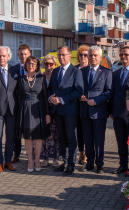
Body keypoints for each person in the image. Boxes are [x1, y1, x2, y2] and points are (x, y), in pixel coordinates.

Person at [48, 46, 84, 175]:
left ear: (69, 56)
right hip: (57, 111)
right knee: (61, 138)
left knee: (71, 138)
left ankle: (71, 164)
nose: (61, 57)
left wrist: (62, 99)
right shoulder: (56, 71)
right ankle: (64, 162)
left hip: (69, 111)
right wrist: (50, 97)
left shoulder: (76, 71)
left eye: (63, 55)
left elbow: (79, 91)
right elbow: (50, 88)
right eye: (59, 55)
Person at [79, 46, 113, 174]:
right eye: (90, 55)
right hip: (85, 110)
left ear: (100, 57)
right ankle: (89, 163)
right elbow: (77, 88)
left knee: (99, 139)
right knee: (87, 139)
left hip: (99, 111)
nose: (92, 57)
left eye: (95, 55)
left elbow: (109, 92)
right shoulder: (81, 71)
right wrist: (80, 96)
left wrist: (96, 100)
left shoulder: (106, 72)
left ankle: (99, 164)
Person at [110, 47, 129, 176]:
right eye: (121, 54)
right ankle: (122, 165)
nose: (123, 56)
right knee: (120, 142)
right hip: (117, 114)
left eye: (126, 54)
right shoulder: (115, 73)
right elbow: (112, 94)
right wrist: (110, 111)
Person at [16, 56, 50, 172]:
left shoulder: (41, 78)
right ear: (26, 65)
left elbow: (45, 96)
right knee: (28, 137)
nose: (31, 66)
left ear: (37, 66)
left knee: (38, 136)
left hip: (38, 109)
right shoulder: (21, 79)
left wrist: (47, 113)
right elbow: (18, 96)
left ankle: (37, 160)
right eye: (29, 63)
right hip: (25, 108)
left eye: (33, 64)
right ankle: (30, 160)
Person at [12, 44, 31, 164]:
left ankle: (32, 154)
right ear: (18, 55)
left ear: (29, 54)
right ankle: (16, 154)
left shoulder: (35, 69)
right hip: (16, 104)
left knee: (30, 129)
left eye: (25, 54)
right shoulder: (12, 69)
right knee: (16, 131)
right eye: (21, 54)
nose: (23, 56)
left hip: (30, 105)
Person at [40, 55, 60, 167]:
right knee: (45, 135)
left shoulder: (58, 76)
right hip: (44, 110)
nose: (48, 66)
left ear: (55, 64)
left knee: (56, 135)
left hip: (56, 109)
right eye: (46, 64)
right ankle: (45, 158)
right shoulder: (41, 77)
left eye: (51, 64)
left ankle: (56, 158)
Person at [75, 45, 89, 165]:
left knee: (88, 131)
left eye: (86, 55)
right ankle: (81, 152)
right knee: (79, 130)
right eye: (81, 55)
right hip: (75, 105)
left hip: (88, 104)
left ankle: (89, 154)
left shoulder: (91, 69)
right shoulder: (74, 69)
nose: (83, 57)